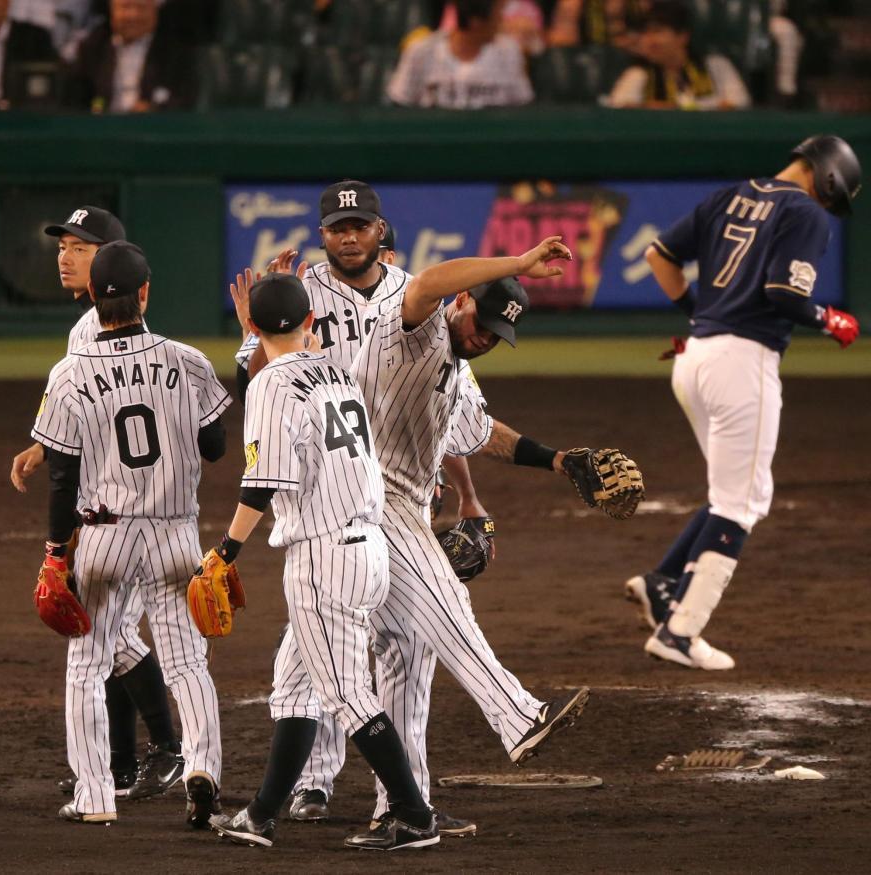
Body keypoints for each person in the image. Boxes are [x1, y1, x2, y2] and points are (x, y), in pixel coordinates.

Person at [240, 181, 605, 838]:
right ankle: (517, 716)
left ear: (380, 230)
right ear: (460, 303)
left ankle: (388, 807)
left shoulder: (455, 363)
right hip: (364, 503)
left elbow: (473, 430)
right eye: (480, 323)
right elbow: (432, 282)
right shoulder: (409, 326)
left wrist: (552, 461)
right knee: (441, 604)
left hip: (381, 511)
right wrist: (520, 261)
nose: (484, 339)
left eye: (496, 336)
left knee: (357, 663)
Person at [233, 187, 497, 836]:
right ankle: (275, 806)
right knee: (302, 675)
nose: (348, 236)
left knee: (352, 681)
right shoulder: (329, 352)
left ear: (380, 230)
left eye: (359, 226)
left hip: (336, 536)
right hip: (371, 524)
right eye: (337, 227)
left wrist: (225, 551)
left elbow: (263, 470)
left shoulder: (406, 301)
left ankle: (409, 808)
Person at [205, 274, 440, 851]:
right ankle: (261, 814)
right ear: (312, 322)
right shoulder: (338, 373)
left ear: (252, 326)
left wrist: (226, 550)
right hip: (370, 548)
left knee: (346, 694)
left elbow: (261, 483)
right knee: (293, 686)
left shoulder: (270, 385)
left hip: (324, 558)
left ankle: (414, 816)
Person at [627, 134, 861, 670]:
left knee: (728, 492)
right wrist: (830, 320)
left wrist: (698, 313)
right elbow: (785, 293)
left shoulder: (729, 195)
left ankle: (662, 583)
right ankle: (680, 632)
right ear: (827, 178)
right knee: (743, 502)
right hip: (742, 362)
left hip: (695, 357)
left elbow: (658, 257)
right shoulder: (805, 212)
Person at [31, 240, 230, 824]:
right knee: (187, 663)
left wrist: (55, 553)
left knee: (87, 667)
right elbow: (215, 447)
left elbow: (62, 477)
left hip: (104, 537)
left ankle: (94, 797)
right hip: (175, 536)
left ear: (93, 295)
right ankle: (202, 770)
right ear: (145, 292)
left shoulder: (69, 373)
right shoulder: (188, 360)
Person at [11, 206, 185, 802]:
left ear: (109, 258)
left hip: (116, 510)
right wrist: (42, 446)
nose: (64, 256)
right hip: (125, 506)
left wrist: (64, 537)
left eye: (79, 248)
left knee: (108, 638)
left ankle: (166, 750)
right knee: (109, 636)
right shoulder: (91, 324)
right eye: (62, 245)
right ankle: (121, 763)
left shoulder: (97, 330)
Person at [387, 0, 534, 108]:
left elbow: (522, 106)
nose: (501, 21)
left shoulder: (508, 52)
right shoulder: (422, 51)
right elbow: (400, 104)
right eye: (498, 14)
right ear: (476, 21)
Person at [607, 0, 750, 110]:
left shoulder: (716, 66)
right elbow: (620, 108)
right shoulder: (638, 74)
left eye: (657, 31)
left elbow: (739, 103)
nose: (649, 41)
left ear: (682, 36)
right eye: (645, 33)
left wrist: (677, 109)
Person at [64, 0, 198, 113]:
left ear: (155, 12)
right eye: (125, 7)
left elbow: (184, 100)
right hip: (101, 130)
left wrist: (152, 109)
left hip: (153, 130)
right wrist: (97, 109)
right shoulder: (92, 48)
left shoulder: (175, 53)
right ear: (112, 11)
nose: (133, 15)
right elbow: (77, 100)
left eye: (141, 8)